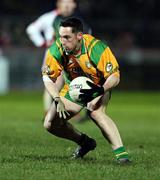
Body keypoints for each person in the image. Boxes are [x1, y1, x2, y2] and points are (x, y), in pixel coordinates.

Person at [42, 17, 130, 164]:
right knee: (50, 124)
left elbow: (115, 76)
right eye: (60, 36)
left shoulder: (96, 48)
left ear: (79, 36)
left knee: (96, 113)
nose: (62, 41)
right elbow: (48, 79)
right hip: (74, 88)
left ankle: (122, 156)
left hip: (99, 86)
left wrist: (99, 93)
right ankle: (85, 142)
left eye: (67, 37)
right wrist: (56, 98)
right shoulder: (57, 49)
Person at [26, 0, 91, 116]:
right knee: (52, 82)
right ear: (58, 4)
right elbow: (31, 29)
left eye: (69, 2)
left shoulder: (78, 20)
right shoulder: (51, 17)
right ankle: (49, 112)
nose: (66, 5)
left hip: (72, 54)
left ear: (74, 5)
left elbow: (88, 33)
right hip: (54, 53)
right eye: (64, 2)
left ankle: (73, 111)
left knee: (73, 83)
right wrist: (42, 43)